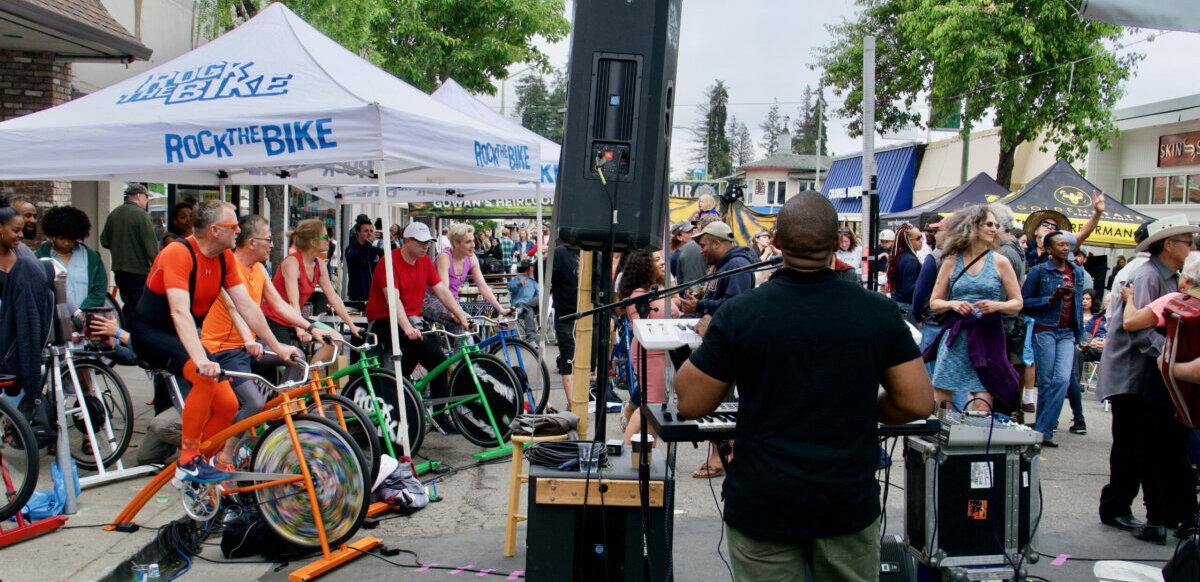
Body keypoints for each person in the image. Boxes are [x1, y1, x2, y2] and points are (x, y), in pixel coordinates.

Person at [675, 192, 934, 581]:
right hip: (845, 501)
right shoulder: (877, 312)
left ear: (775, 243)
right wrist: (874, 409)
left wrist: (710, 339)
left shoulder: (741, 314)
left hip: (764, 502)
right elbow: (916, 402)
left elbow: (690, 401)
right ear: (836, 244)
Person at [129, 201, 301, 484]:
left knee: (228, 406)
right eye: (233, 227)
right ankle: (187, 461)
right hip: (152, 333)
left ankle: (203, 460)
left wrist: (278, 347)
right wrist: (201, 359)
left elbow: (248, 308)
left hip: (181, 335)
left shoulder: (223, 259)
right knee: (204, 377)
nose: (238, 231)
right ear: (213, 230)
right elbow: (179, 312)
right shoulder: (178, 253)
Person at [1096, 215, 1199, 543]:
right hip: (1131, 374)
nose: (1192, 246)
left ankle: (1145, 509)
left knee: (1144, 445)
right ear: (1168, 245)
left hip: (1149, 377)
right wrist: (1170, 358)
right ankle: (1115, 506)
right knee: (1129, 445)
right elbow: (1139, 331)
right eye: (1187, 241)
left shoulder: (1169, 277)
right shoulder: (1148, 275)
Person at [201, 214, 334, 469]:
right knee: (254, 401)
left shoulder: (260, 269)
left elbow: (280, 305)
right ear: (251, 242)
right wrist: (273, 345)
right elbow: (237, 310)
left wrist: (310, 326)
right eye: (268, 239)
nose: (272, 245)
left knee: (297, 359)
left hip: (248, 346)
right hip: (222, 350)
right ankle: (225, 456)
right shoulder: (228, 266)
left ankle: (276, 423)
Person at [365, 221, 470, 426]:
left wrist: (462, 316)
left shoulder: (424, 262)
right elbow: (393, 301)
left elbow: (441, 291)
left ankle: (439, 415)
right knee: (412, 351)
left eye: (428, 242)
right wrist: (407, 328)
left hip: (412, 319)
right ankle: (396, 398)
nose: (426, 246)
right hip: (384, 319)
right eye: (421, 242)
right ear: (407, 241)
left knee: (438, 361)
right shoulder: (389, 262)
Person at [926, 204, 1024, 412]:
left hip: (988, 335)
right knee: (943, 391)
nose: (994, 229)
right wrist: (952, 303)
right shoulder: (952, 261)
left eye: (996, 225)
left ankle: (976, 440)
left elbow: (1017, 302)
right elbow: (934, 302)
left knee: (984, 394)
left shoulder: (1001, 262)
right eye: (988, 224)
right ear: (973, 226)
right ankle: (942, 438)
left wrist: (997, 305)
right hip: (956, 335)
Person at [262, 218, 361, 360]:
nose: (330, 239)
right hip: (274, 319)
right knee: (291, 360)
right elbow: (293, 301)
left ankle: (310, 377)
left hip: (295, 318)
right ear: (313, 242)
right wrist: (300, 328)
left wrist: (352, 326)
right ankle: (299, 377)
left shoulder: (319, 265)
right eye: (326, 236)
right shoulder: (292, 262)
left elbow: (333, 297)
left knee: (337, 340)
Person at [1022, 231, 1087, 447]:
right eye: (1060, 245)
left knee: (1062, 379)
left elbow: (1078, 305)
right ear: (1048, 249)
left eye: (1067, 244)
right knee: (1047, 381)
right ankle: (1045, 431)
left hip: (1067, 332)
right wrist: (1050, 298)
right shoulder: (1038, 272)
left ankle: (1041, 429)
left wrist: (1082, 334)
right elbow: (1023, 302)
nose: (1066, 248)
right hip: (1045, 329)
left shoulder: (1077, 272)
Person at [617, 250, 681, 445]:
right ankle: (627, 450)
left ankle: (647, 456)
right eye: (657, 260)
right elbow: (639, 326)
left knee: (655, 407)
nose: (662, 262)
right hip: (650, 353)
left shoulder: (654, 289)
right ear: (646, 267)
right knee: (650, 407)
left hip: (662, 351)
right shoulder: (639, 294)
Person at [0, 196, 56, 406]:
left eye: (22, 229)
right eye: (15, 230)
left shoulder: (22, 254)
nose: (21, 235)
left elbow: (41, 282)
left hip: (18, 335)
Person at [101, 183, 159, 320]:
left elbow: (104, 241)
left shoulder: (114, 214)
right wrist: (159, 267)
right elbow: (151, 248)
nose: (147, 201)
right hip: (138, 271)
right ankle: (135, 337)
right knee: (140, 308)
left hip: (119, 270)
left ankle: (126, 334)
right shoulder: (142, 216)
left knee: (129, 304)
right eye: (146, 197)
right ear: (138, 196)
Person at [35, 206, 108, 311]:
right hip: (51, 321)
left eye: (71, 239)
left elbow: (99, 292)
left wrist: (79, 318)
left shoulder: (92, 258)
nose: (66, 243)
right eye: (62, 238)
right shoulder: (39, 258)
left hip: (84, 321)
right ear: (53, 235)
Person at [680, 221, 757, 318]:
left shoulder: (737, 264)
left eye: (703, 246)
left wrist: (700, 305)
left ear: (716, 244)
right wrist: (698, 297)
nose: (701, 251)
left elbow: (734, 306)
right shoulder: (722, 264)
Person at [436, 222, 508, 315]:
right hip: (435, 300)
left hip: (453, 301)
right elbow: (444, 291)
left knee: (470, 324)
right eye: (468, 242)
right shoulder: (444, 257)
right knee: (463, 323)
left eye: (473, 240)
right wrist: (454, 314)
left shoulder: (471, 257)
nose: (473, 245)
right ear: (456, 243)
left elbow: (483, 287)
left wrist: (502, 310)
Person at [1022, 193, 1106, 270]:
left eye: (1054, 227)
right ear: (1035, 231)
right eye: (1045, 224)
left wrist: (1098, 213)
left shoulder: (1061, 248)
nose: (1050, 227)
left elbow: (1083, 234)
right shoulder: (1023, 246)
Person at [552, 242, 580, 403]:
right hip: (566, 314)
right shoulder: (560, 253)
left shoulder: (592, 251)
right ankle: (573, 404)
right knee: (569, 357)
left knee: (587, 361)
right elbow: (546, 278)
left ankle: (582, 400)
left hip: (589, 314)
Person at [886, 223, 922, 321]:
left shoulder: (897, 256)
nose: (922, 241)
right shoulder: (911, 260)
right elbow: (908, 288)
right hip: (906, 306)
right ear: (907, 241)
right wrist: (926, 284)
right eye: (918, 238)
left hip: (897, 303)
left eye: (921, 237)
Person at [344, 220, 383, 303]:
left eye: (371, 231)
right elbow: (359, 257)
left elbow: (390, 255)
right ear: (358, 232)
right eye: (366, 231)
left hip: (373, 295)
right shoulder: (351, 249)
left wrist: (391, 241)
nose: (369, 233)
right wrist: (369, 242)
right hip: (357, 297)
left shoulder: (372, 249)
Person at [508, 260, 539, 341]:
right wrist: (518, 283)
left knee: (541, 296)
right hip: (519, 304)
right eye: (531, 267)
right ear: (528, 269)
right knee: (529, 311)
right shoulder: (519, 277)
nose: (533, 269)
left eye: (534, 267)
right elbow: (510, 287)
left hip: (533, 307)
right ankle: (531, 339)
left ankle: (524, 307)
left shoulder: (537, 281)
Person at [675, 220, 706, 287]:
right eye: (689, 232)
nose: (693, 233)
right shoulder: (675, 257)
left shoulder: (702, 246)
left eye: (694, 229)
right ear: (679, 237)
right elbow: (677, 281)